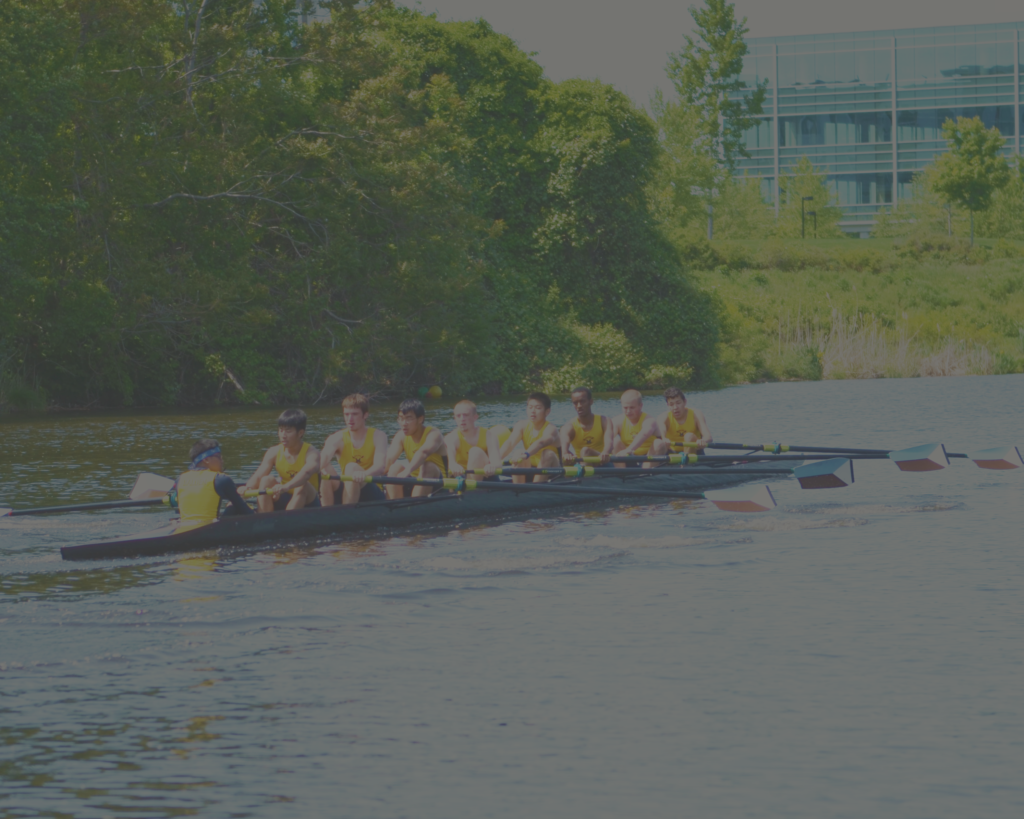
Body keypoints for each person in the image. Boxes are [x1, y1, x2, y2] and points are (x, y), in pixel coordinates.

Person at [244, 408, 321, 512]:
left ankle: (287, 521)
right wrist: (247, 489)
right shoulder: (274, 452)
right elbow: (259, 475)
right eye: (281, 430)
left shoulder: (312, 453)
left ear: (300, 433)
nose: (283, 435)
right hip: (285, 496)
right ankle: (264, 521)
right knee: (266, 480)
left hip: (309, 503)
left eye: (288, 431)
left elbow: (306, 473)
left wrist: (286, 486)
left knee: (302, 485)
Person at [319, 394, 389, 506]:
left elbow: (380, 467)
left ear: (365, 415)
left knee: (351, 467)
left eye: (354, 414)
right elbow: (324, 457)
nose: (349, 419)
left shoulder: (379, 436)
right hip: (348, 487)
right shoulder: (336, 438)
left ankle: (347, 512)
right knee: (324, 467)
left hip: (371, 490)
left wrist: (364, 474)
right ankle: (326, 513)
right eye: (346, 414)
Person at [173, 439, 253, 533]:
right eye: (218, 457)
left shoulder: (180, 479)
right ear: (206, 459)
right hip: (210, 531)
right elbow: (247, 512)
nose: (222, 461)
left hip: (182, 531)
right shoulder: (221, 479)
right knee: (233, 505)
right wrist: (242, 498)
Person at [384, 399, 446, 499]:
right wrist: (368, 474)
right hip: (414, 481)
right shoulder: (401, 436)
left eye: (408, 418)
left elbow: (423, 452)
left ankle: (415, 506)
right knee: (394, 468)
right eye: (401, 418)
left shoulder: (434, 434)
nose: (404, 423)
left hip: (439, 485)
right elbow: (389, 460)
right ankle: (394, 507)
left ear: (420, 419)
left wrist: (407, 470)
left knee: (427, 466)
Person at [498, 392, 560, 484]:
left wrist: (526, 454)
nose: (533, 411)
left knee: (548, 453)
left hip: (553, 471)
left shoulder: (551, 429)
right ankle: (518, 489)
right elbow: (510, 442)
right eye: (530, 407)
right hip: (531, 468)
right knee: (518, 452)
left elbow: (541, 443)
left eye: (538, 408)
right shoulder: (521, 425)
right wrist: (496, 459)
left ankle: (535, 490)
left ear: (547, 411)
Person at [444, 399, 506, 478]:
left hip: (486, 477)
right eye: (458, 416)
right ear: (455, 418)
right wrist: (453, 465)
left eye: (466, 415)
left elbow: (497, 463)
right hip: (461, 477)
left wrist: (492, 466)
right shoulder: (450, 438)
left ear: (475, 417)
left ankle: (474, 488)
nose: (462, 419)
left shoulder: (489, 435)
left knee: (475, 452)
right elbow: (450, 462)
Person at [612, 389, 669, 467]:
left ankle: (646, 473)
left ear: (640, 406)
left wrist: (629, 449)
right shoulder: (617, 421)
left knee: (658, 443)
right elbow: (608, 438)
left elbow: (645, 433)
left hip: (648, 456)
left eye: (632, 408)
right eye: (625, 408)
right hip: (628, 456)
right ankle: (621, 474)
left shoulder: (649, 420)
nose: (628, 411)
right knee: (614, 441)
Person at [560, 386, 613, 465]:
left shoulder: (604, 420)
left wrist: (605, 452)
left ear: (591, 401)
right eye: (575, 403)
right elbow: (564, 443)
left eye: (582, 401)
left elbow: (609, 441)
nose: (579, 406)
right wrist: (565, 454)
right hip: (580, 463)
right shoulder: (568, 427)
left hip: (603, 462)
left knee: (585, 451)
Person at [655, 387, 713, 453]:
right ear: (668, 405)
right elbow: (662, 430)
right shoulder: (663, 417)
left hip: (695, 452)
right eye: (671, 404)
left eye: (678, 403)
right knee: (657, 442)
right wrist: (663, 438)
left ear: (685, 402)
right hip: (672, 453)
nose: (675, 407)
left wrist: (703, 441)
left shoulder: (696, 414)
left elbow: (708, 437)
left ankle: (685, 462)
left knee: (689, 436)